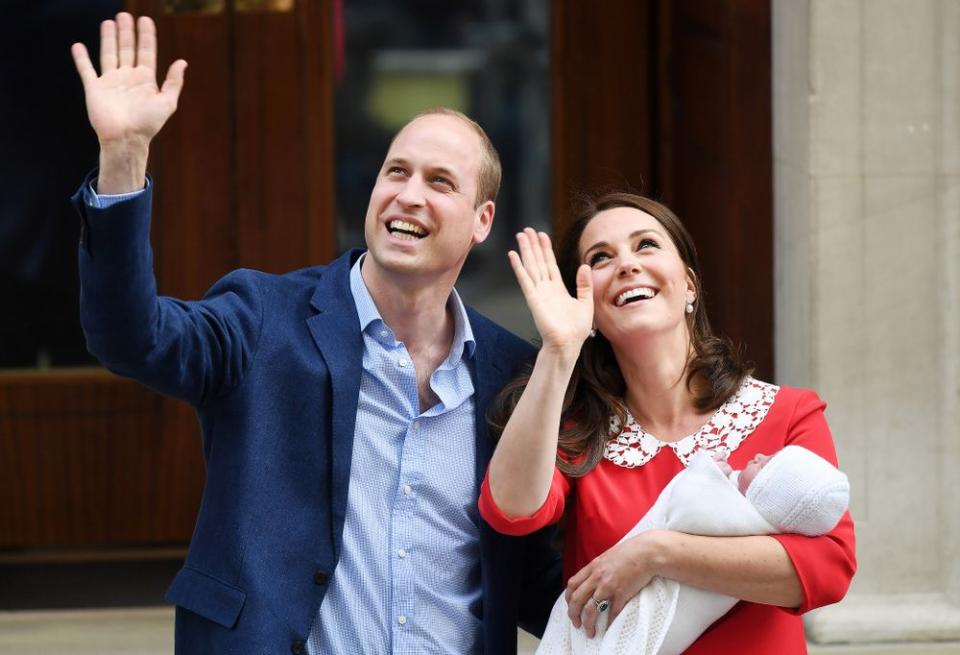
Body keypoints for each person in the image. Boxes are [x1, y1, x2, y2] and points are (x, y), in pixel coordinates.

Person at [69, 13, 560, 655]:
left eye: (440, 183)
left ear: (482, 220)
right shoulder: (263, 317)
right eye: (396, 172)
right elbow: (132, 338)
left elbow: (543, 579)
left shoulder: (511, 375)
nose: (408, 195)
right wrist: (124, 156)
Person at [478, 192, 857, 654]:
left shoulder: (789, 413)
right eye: (600, 258)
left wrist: (656, 554)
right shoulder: (578, 431)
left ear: (690, 284)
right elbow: (512, 511)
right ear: (588, 305)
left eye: (646, 245)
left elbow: (828, 568)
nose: (626, 265)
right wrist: (559, 351)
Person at [536, 446, 850, 654]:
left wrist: (704, 470)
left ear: (772, 492)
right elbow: (514, 513)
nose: (761, 455)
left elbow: (689, 507)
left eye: (769, 465)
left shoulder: (741, 516)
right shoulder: (584, 425)